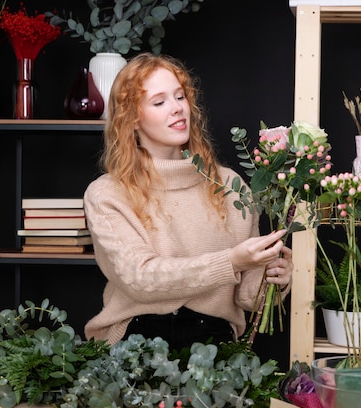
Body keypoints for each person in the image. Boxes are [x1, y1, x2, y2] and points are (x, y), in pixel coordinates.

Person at [83, 53, 293, 351]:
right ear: (130, 119)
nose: (177, 109)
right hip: (134, 344)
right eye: (159, 102)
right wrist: (231, 260)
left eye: (180, 97)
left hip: (214, 344)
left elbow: (247, 298)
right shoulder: (107, 194)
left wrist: (274, 279)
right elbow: (140, 279)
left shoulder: (229, 185)